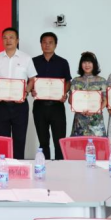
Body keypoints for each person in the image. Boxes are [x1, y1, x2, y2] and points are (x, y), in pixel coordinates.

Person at [0, 27, 37, 160]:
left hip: (20, 105)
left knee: (19, 138)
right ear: (2, 40)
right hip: (1, 105)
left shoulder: (26, 58)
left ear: (17, 40)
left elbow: (32, 79)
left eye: (11, 37)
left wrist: (26, 91)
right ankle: (3, 165)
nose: (8, 40)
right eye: (5, 38)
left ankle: (18, 166)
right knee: (2, 139)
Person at [32, 32, 71, 160]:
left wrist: (64, 93)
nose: (47, 45)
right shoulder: (33, 62)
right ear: (40, 44)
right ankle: (44, 166)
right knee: (43, 142)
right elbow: (30, 81)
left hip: (57, 107)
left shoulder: (63, 62)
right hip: (39, 107)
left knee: (59, 142)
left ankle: (59, 168)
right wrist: (32, 89)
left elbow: (68, 82)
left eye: (50, 42)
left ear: (55, 45)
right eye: (44, 42)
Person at [69, 52, 107, 137]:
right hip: (79, 120)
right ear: (81, 64)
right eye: (84, 62)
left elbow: (105, 100)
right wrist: (77, 107)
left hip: (96, 120)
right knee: (79, 144)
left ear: (94, 64)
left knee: (97, 144)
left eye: (89, 62)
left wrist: (96, 110)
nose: (87, 65)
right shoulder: (76, 81)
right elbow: (70, 100)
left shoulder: (101, 81)